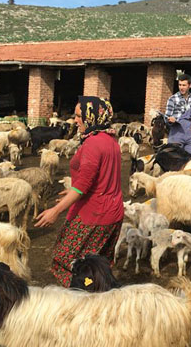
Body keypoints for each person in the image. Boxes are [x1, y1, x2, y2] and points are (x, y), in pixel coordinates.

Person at [35, 96, 124, 287]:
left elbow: (83, 185)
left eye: (78, 116)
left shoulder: (92, 144)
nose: (75, 120)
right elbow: (101, 179)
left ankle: (82, 299)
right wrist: (71, 192)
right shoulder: (111, 140)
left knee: (65, 260)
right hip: (113, 213)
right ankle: (103, 298)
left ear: (91, 117)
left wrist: (55, 211)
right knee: (98, 265)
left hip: (94, 214)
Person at [165, 73, 191, 154]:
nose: (181, 87)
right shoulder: (172, 99)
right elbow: (166, 117)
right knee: (174, 162)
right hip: (176, 137)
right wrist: (170, 120)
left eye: (184, 85)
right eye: (180, 85)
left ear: (190, 85)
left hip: (190, 136)